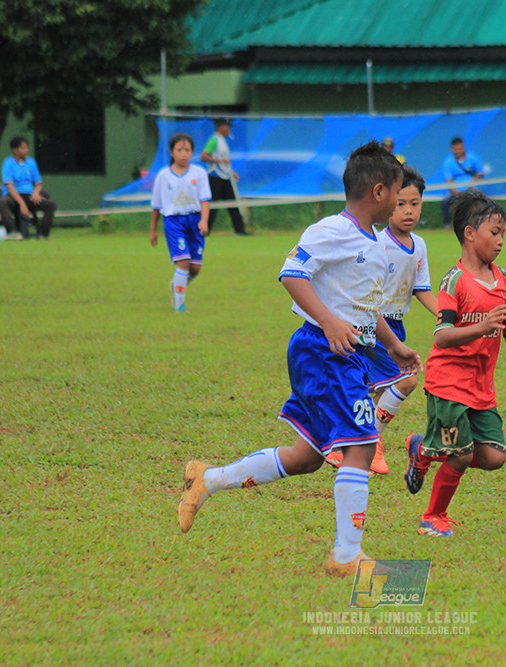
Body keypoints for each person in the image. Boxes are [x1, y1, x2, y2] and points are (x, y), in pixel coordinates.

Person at [177, 141, 420, 577]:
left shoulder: (375, 243)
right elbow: (292, 273)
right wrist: (328, 322)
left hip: (347, 354)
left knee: (306, 457)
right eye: (398, 194)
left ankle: (207, 480)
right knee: (362, 447)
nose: (401, 203)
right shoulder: (333, 229)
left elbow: (364, 305)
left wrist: (393, 344)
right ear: (379, 192)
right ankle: (346, 557)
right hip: (323, 352)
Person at [403, 189, 506, 538]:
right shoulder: (455, 282)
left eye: (503, 233)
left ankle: (423, 448)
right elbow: (442, 336)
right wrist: (480, 326)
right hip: (447, 383)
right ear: (469, 233)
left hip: (481, 387)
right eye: (495, 232)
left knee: (494, 457)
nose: (501, 241)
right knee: (460, 456)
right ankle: (432, 516)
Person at [326, 164, 437, 475]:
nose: (408, 211)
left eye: (414, 204)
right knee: (408, 379)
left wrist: (446, 314)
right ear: (386, 201)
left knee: (373, 390)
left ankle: (347, 446)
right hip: (372, 322)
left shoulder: (420, 246)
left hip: (395, 325)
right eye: (400, 203)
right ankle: (370, 442)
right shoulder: (377, 242)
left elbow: (422, 289)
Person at [149, 133, 211, 313]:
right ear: (172, 152)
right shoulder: (163, 176)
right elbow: (156, 206)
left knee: (195, 268)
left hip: (195, 220)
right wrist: (153, 230)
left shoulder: (199, 173)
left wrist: (204, 221)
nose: (184, 154)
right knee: (183, 262)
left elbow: (205, 200)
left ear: (192, 152)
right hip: (174, 222)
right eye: (179, 150)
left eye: (187, 150)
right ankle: (179, 305)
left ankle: (177, 284)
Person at [0, 136, 57, 239]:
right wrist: (22, 204)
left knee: (51, 204)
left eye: (27, 148)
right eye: (23, 148)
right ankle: (12, 232)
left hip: (30, 196)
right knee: (3, 202)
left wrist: (35, 193)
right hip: (13, 197)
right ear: (15, 150)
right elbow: (10, 186)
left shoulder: (31, 162)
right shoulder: (8, 163)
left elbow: (38, 184)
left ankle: (43, 234)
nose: (26, 150)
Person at [200, 118, 249, 236]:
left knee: (233, 204)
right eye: (227, 127)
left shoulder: (222, 141)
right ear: (221, 127)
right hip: (215, 177)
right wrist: (218, 160)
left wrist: (231, 172)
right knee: (212, 206)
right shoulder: (214, 140)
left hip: (225, 177)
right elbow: (204, 156)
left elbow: (225, 163)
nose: (229, 130)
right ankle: (206, 230)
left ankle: (240, 231)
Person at [440, 137, 484, 228]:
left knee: (482, 201)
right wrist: (456, 193)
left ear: (463, 147)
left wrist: (471, 184)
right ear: (452, 149)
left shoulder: (473, 157)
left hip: (472, 188)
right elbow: (449, 180)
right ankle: (447, 224)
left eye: (460, 148)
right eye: (456, 149)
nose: (458, 151)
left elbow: (480, 173)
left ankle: (480, 223)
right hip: (456, 190)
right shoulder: (448, 162)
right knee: (445, 201)